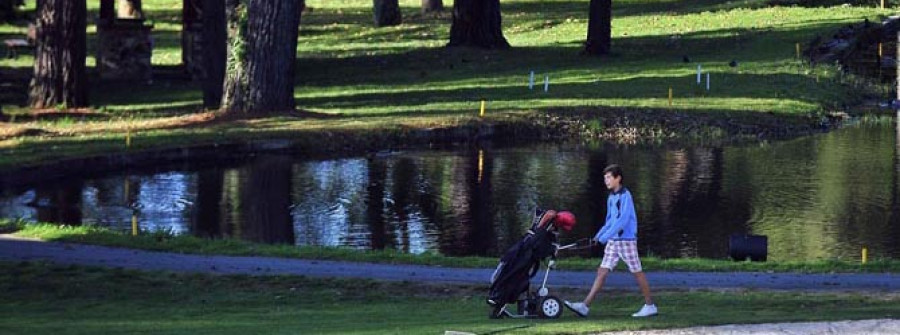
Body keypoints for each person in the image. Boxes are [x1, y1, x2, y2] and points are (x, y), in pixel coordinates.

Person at [564, 164, 657, 318]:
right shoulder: (611, 197)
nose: (606, 181)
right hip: (614, 241)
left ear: (618, 178)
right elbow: (609, 222)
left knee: (637, 272)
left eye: (609, 177)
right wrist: (598, 236)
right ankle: (584, 306)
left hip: (626, 241)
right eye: (605, 178)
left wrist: (603, 239)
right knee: (602, 271)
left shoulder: (625, 196)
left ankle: (650, 306)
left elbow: (622, 221)